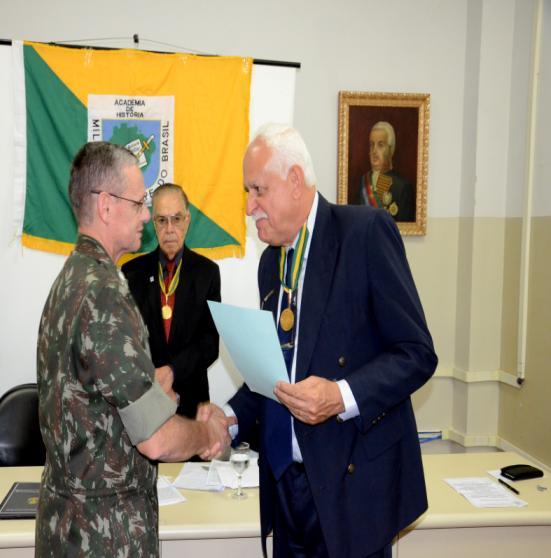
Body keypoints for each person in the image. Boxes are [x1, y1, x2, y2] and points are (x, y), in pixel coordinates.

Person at [211, 124, 437, 558]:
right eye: (246, 191)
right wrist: (229, 418)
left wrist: (341, 395)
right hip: (286, 492)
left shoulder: (364, 234)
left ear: (295, 181)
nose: (248, 206)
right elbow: (277, 373)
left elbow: (417, 353)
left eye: (258, 190)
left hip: (349, 495)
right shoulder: (270, 264)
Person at [35, 142, 229, 557]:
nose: (147, 216)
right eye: (140, 203)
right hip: (104, 534)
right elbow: (156, 439)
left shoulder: (71, 279)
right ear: (106, 206)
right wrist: (205, 431)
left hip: (69, 524)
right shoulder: (104, 293)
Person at [122, 183, 220, 419]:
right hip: (144, 399)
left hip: (192, 403)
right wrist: (155, 383)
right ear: (152, 222)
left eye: (176, 219)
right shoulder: (131, 272)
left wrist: (172, 372)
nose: (169, 229)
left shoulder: (207, 272)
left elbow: (210, 343)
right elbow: (126, 341)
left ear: (187, 220)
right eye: (161, 220)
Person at [358, 121, 415, 222]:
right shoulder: (363, 181)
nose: (374, 151)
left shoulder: (402, 186)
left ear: (390, 149)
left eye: (380, 145)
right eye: (371, 145)